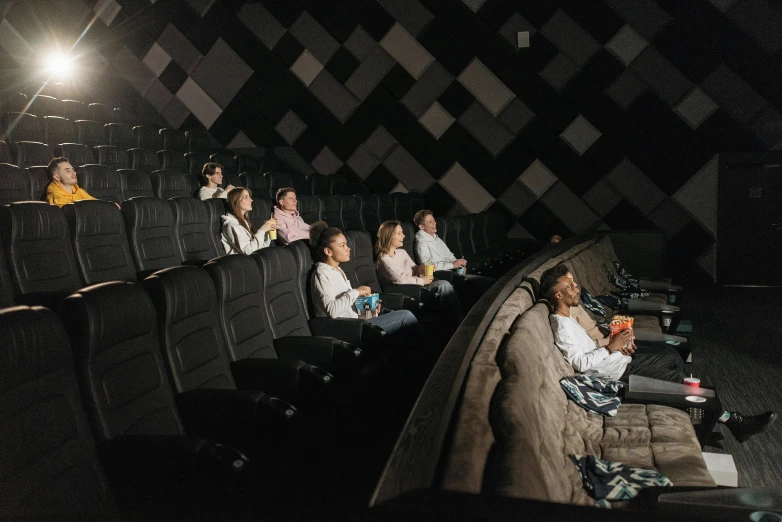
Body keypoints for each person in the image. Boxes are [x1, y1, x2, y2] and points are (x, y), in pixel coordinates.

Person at [540, 264, 776, 443]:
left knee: (671, 356)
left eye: (574, 283)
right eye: (569, 287)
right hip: (619, 374)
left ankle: (700, 417)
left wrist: (618, 342)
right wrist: (611, 347)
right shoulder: (561, 326)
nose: (576, 288)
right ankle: (734, 421)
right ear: (557, 295)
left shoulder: (568, 317)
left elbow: (592, 348)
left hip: (619, 360)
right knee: (679, 381)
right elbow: (581, 363)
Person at [309, 221, 432, 354]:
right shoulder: (321, 275)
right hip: (350, 329)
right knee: (405, 317)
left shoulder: (338, 270)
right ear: (328, 251)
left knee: (396, 320)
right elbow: (332, 311)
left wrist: (369, 307)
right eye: (342, 245)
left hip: (359, 323)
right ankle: (429, 355)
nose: (348, 248)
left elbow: (348, 307)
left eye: (346, 244)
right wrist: (355, 292)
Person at [376, 220, 462, 322]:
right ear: (388, 236)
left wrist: (423, 268)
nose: (403, 236)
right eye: (399, 233)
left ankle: (456, 318)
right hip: (406, 290)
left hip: (417, 284)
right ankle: (457, 320)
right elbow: (399, 279)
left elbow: (415, 269)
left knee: (444, 284)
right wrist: (422, 281)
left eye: (402, 232)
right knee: (443, 286)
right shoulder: (384, 259)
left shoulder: (401, 252)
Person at [413, 209, 495, 302]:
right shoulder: (421, 244)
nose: (434, 223)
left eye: (434, 220)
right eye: (430, 222)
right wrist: (452, 265)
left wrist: (458, 265)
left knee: (489, 283)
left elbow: (449, 255)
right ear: (421, 226)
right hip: (441, 276)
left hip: (452, 273)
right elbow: (427, 267)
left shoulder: (436, 237)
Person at [221, 187, 276, 255]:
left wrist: (268, 231)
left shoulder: (244, 222)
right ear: (235, 201)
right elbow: (248, 251)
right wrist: (262, 230)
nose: (251, 200)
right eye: (246, 197)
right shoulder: (232, 225)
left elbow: (259, 248)